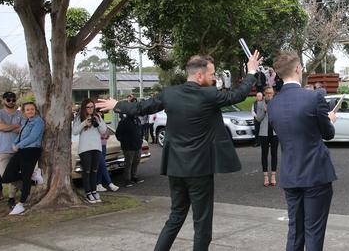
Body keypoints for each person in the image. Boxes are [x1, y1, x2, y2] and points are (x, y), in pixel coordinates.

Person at [96, 51, 261, 251]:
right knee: (202, 223)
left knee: (175, 217)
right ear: (199, 75)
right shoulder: (208, 94)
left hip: (175, 168)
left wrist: (117, 105)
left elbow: (142, 107)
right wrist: (251, 71)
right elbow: (238, 94)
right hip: (200, 170)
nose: (214, 77)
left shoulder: (169, 93)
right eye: (212, 74)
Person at [267, 50, 337, 251]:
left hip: (290, 174)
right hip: (315, 173)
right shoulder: (314, 97)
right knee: (313, 233)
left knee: (295, 232)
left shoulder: (273, 104)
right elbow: (327, 134)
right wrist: (330, 120)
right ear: (298, 68)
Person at [8, 102, 44, 215]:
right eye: (27, 109)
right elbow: (20, 135)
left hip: (32, 150)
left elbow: (33, 137)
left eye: (32, 109)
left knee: (25, 177)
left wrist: (18, 145)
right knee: (7, 176)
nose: (30, 111)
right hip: (22, 150)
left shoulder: (39, 121)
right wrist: (14, 143)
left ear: (35, 110)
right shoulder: (25, 122)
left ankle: (21, 205)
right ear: (24, 111)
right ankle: (34, 174)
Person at [72, 99, 108, 204]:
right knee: (86, 171)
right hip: (85, 148)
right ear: (84, 107)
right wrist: (84, 123)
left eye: (92, 107)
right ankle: (88, 192)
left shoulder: (97, 116)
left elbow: (103, 130)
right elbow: (74, 132)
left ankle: (94, 191)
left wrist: (97, 121)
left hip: (97, 147)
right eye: (88, 107)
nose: (90, 109)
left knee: (94, 171)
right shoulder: (79, 117)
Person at [0, 91, 22, 209]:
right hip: (2, 150)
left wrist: (6, 127)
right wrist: (15, 126)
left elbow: (23, 130)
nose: (11, 102)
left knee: (15, 173)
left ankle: (11, 198)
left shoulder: (20, 113)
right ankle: (27, 186)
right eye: (8, 100)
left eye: (13, 100)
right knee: (5, 176)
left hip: (18, 149)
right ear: (3, 100)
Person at [256, 86, 278, 187]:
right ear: (264, 93)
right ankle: (265, 176)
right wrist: (264, 111)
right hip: (264, 133)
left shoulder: (276, 103)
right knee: (264, 154)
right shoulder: (260, 103)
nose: (269, 95)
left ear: (273, 93)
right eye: (268, 93)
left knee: (274, 154)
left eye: (271, 93)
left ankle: (273, 176)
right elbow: (258, 119)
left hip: (274, 133)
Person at [115, 111, 144, 187]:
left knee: (136, 162)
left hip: (137, 145)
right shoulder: (123, 122)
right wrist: (125, 141)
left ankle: (134, 177)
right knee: (128, 163)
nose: (136, 113)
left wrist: (140, 140)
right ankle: (127, 180)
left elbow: (141, 130)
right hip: (128, 147)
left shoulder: (137, 120)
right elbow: (118, 134)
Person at [96, 125, 119, 193]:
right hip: (97, 146)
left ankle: (99, 184)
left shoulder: (101, 121)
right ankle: (110, 183)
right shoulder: (93, 121)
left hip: (103, 144)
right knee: (103, 165)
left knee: (101, 166)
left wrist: (106, 135)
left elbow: (107, 131)